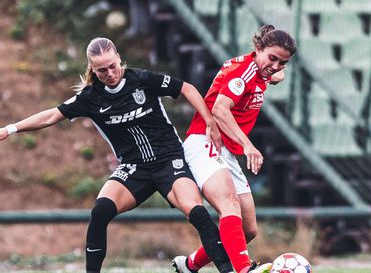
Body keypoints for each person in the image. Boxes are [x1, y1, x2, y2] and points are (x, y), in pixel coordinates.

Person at [0, 37, 234, 273]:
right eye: (102, 70)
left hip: (169, 160)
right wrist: (10, 128)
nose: (110, 73)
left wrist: (209, 120)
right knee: (100, 211)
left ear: (119, 59)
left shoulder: (142, 80)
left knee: (197, 213)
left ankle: (229, 270)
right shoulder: (90, 98)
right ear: (92, 69)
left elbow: (186, 88)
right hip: (135, 168)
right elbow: (52, 115)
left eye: (113, 66)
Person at [172, 25, 297, 273]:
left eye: (282, 63)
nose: (275, 66)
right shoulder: (244, 72)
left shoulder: (261, 71)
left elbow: (271, 76)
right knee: (229, 205)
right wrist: (248, 146)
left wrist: (274, 74)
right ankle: (243, 270)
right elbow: (220, 109)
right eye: (272, 58)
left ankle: (189, 265)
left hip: (226, 151)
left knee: (248, 229)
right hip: (204, 141)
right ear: (258, 49)